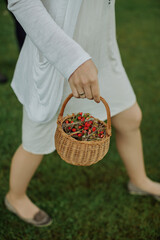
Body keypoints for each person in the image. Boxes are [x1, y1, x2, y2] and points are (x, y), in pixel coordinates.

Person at [4, 0, 160, 227]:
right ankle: (15, 197)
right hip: (56, 58)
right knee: (35, 143)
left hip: (101, 54)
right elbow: (21, 2)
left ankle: (139, 180)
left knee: (130, 117)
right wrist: (72, 61)